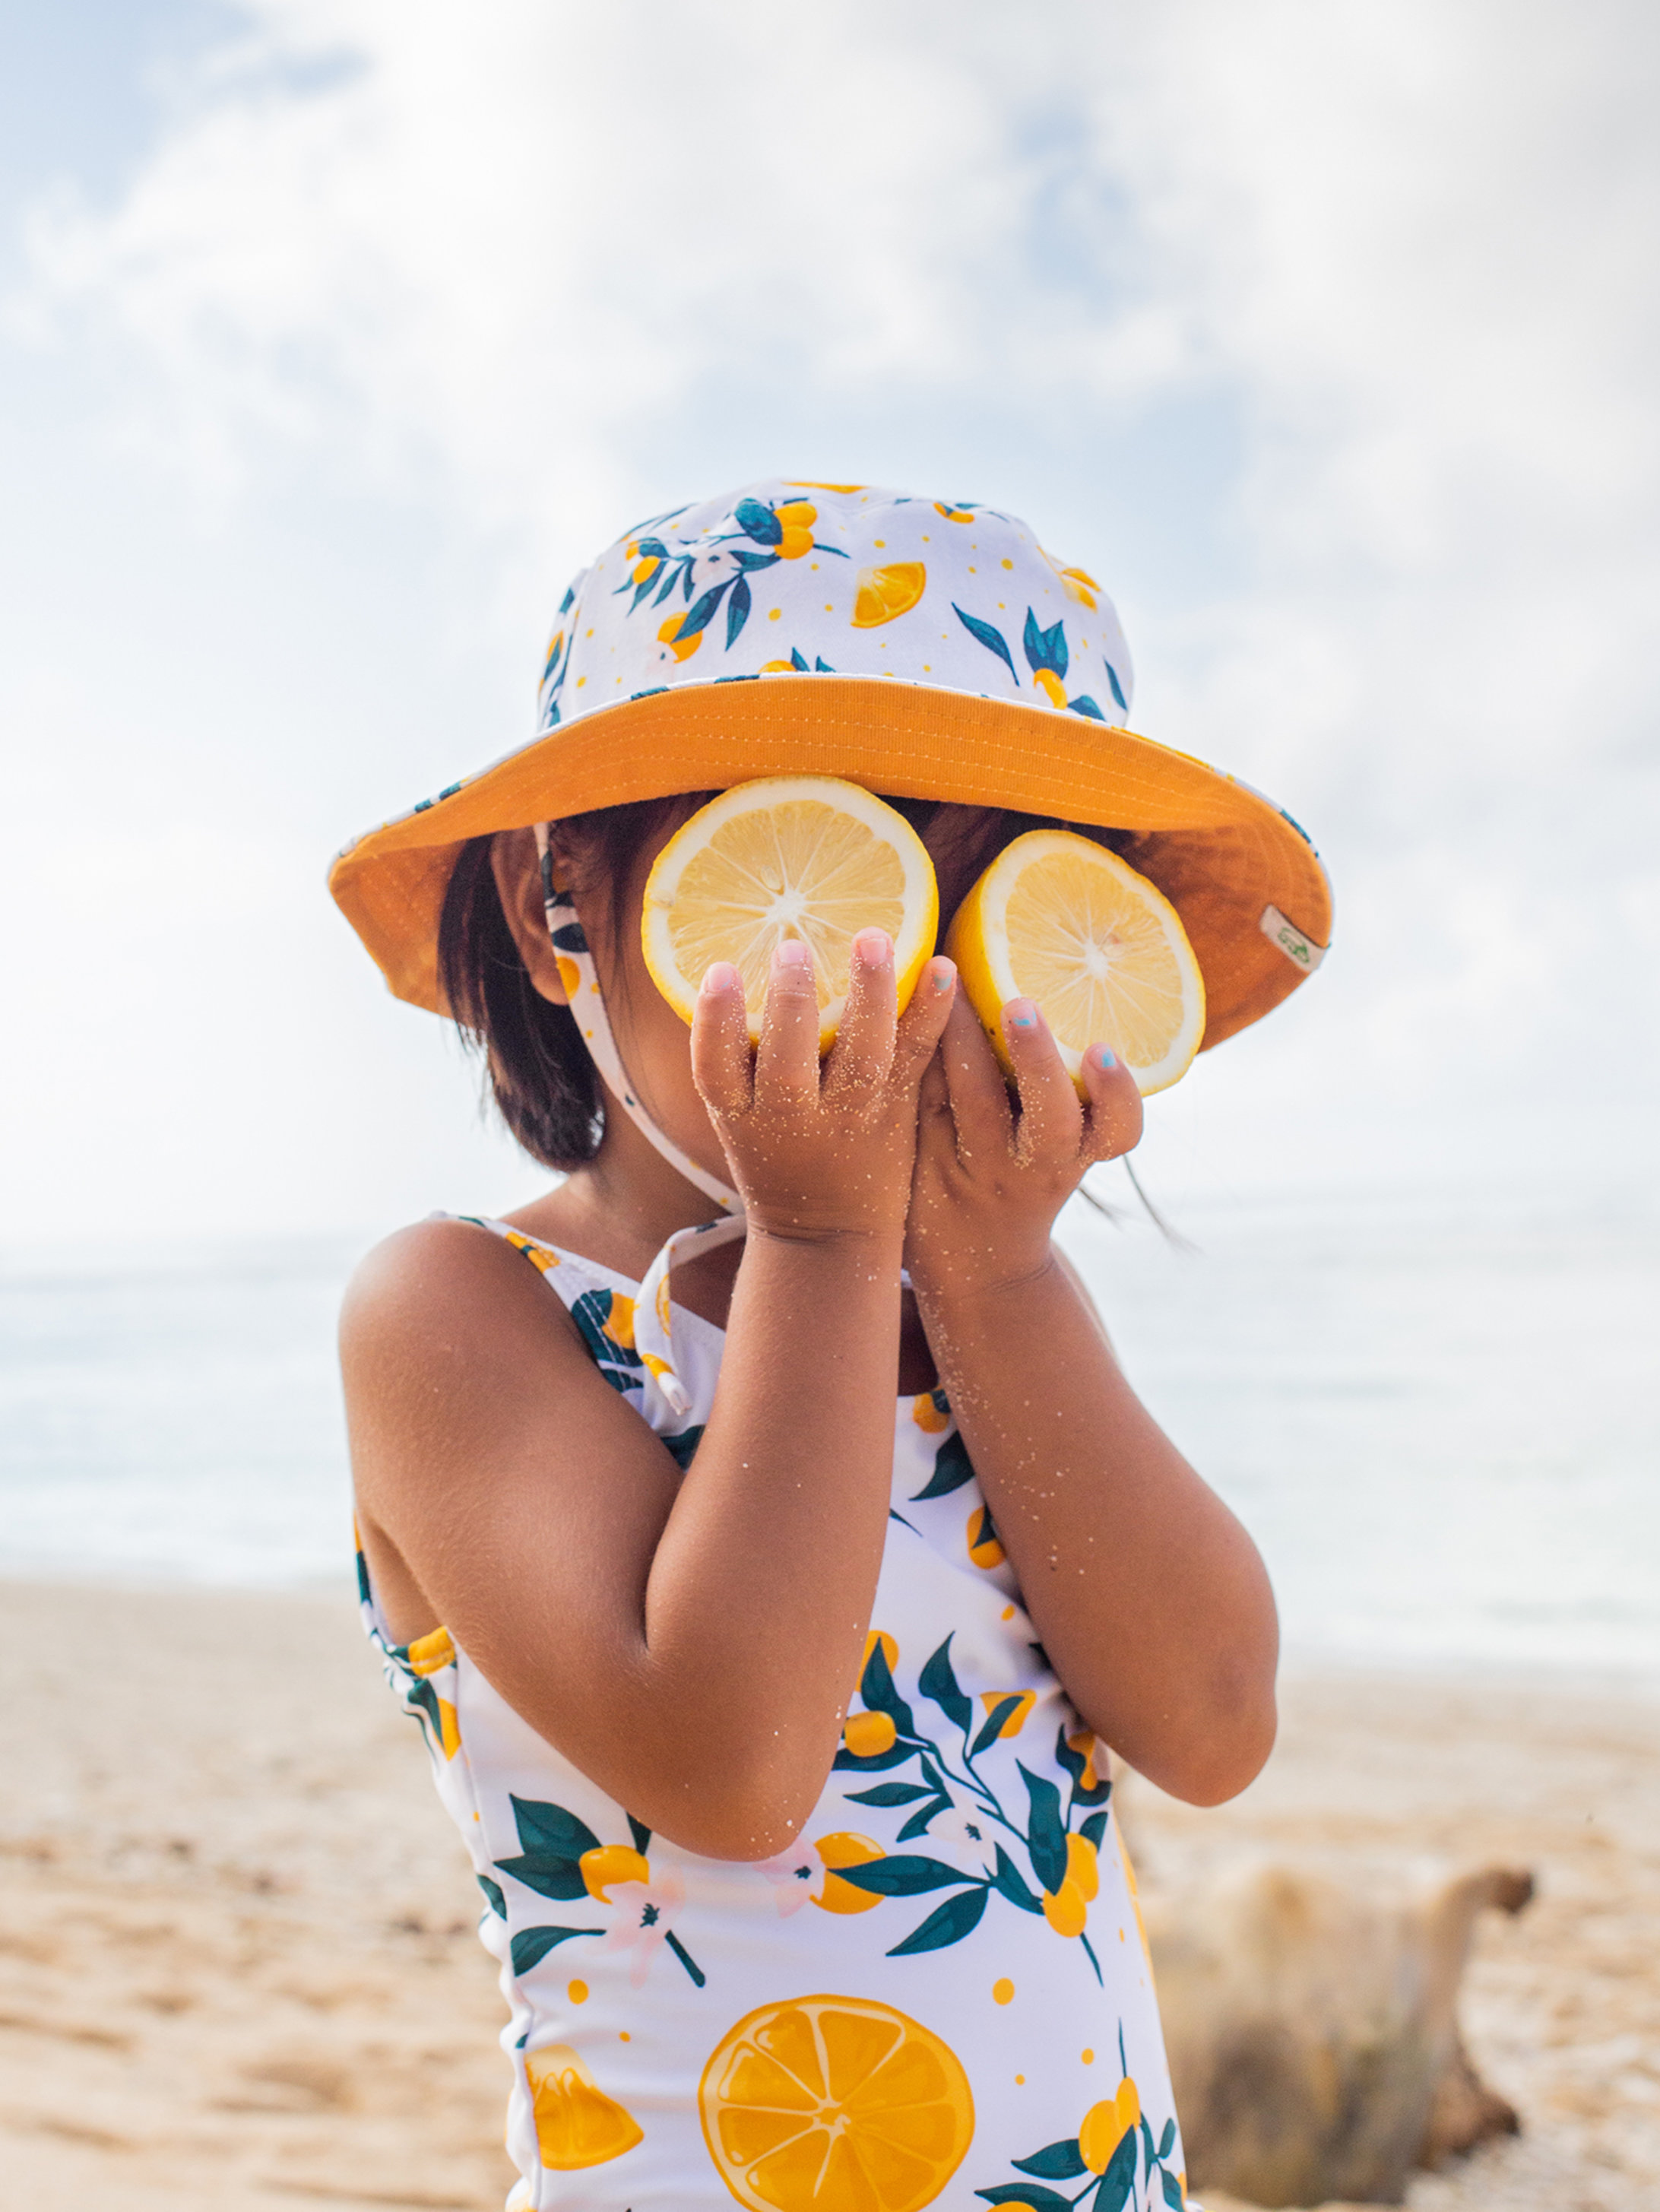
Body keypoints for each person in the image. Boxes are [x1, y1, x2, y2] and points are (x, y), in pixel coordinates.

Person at [331, 480, 1332, 2212]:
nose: (902, 993)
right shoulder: (461, 1312)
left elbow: (1216, 1720)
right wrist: (818, 1233)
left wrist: (998, 1280)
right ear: (565, 894)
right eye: (817, 888)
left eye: (969, 909)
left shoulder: (983, 1309)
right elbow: (730, 1760)